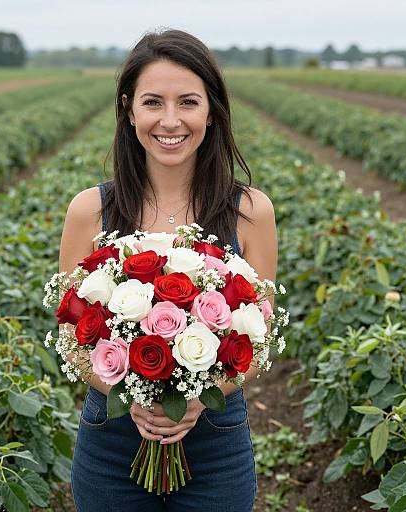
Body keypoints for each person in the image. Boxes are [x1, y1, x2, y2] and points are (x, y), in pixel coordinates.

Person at [59, 28, 277, 512]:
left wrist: (200, 397)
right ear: (128, 109)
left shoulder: (251, 211)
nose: (170, 120)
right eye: (153, 102)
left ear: (212, 112)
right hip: (111, 438)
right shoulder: (89, 210)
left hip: (216, 441)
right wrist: (133, 397)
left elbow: (259, 340)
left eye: (189, 102)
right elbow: (75, 339)